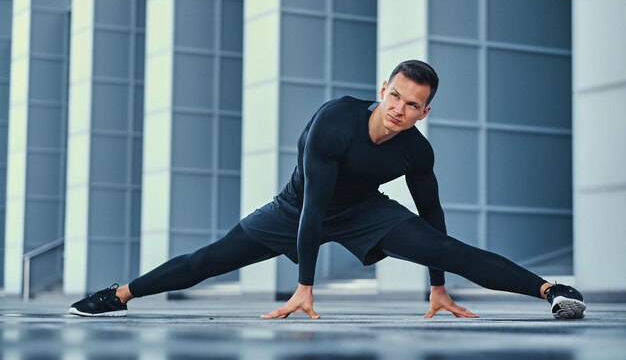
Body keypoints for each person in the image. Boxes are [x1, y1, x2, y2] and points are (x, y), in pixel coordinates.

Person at [69, 60, 586, 320]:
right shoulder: (334, 122)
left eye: (412, 105)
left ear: (425, 113)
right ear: (383, 89)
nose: (398, 109)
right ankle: (119, 294)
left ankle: (553, 292)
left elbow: (434, 219)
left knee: (449, 249)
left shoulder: (415, 152)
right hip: (295, 208)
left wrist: (437, 286)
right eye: (395, 96)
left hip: (365, 211)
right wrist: (305, 285)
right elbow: (313, 207)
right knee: (209, 261)